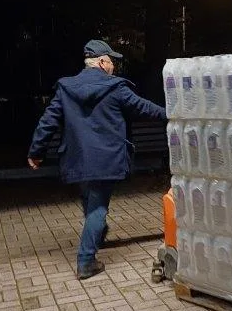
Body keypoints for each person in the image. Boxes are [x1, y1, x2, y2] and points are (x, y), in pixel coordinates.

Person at [28, 39, 167, 279]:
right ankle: (86, 261)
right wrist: (173, 114)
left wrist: (36, 151)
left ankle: (97, 233)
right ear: (102, 62)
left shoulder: (66, 89)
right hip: (105, 159)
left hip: (77, 159)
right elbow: (144, 107)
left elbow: (48, 121)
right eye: (111, 61)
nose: (113, 66)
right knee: (98, 208)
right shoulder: (115, 88)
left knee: (90, 198)